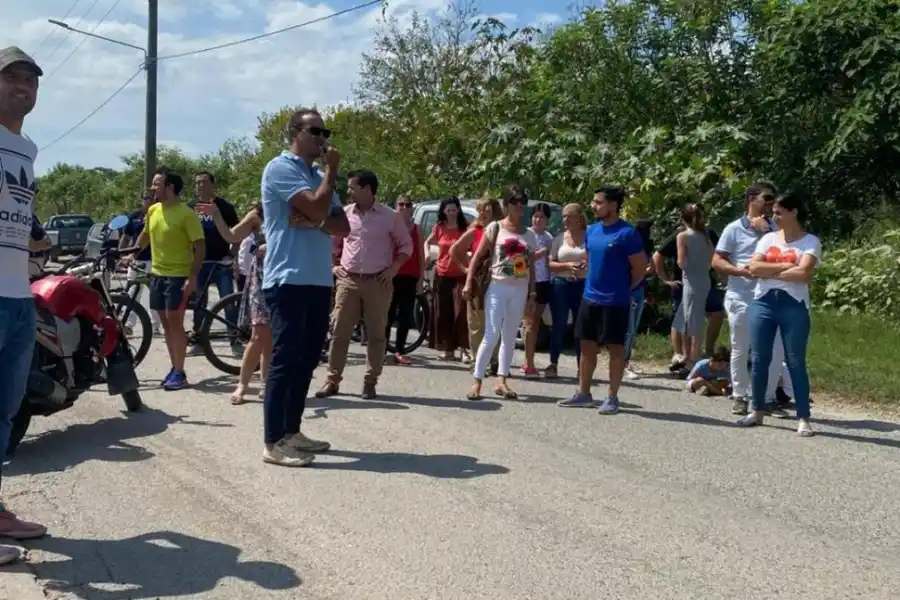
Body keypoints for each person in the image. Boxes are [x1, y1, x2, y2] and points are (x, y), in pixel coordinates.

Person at [259, 107, 350, 467]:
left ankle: (291, 431)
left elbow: (341, 225)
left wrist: (314, 218)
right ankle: (272, 442)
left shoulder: (314, 174)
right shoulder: (280, 168)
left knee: (307, 359)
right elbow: (316, 209)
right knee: (285, 359)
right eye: (317, 131)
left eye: (325, 131)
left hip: (317, 278)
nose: (324, 137)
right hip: (288, 277)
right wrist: (330, 176)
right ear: (296, 133)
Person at [0, 45, 48, 567]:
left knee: (6, 414)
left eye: (31, 80)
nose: (22, 87)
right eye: (11, 77)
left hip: (18, 295)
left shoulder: (27, 148)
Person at [316, 170, 412, 400]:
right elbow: (332, 243)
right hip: (348, 279)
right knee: (339, 332)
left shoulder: (390, 217)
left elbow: (406, 246)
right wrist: (333, 266)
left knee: (376, 335)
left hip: (378, 281)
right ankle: (332, 380)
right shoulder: (345, 214)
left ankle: (370, 382)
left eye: (352, 187)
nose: (348, 192)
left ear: (367, 189)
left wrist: (393, 269)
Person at [558, 185, 647, 413]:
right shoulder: (592, 231)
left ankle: (612, 397)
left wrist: (623, 288)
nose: (593, 206)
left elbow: (639, 268)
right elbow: (590, 258)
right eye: (594, 202)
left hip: (616, 301)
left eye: (598, 202)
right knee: (586, 346)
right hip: (589, 298)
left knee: (615, 350)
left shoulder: (627, 233)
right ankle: (584, 393)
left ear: (613, 205)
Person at [738, 192, 820, 437]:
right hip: (763, 303)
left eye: (778, 212)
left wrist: (768, 272)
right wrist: (786, 267)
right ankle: (757, 410)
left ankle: (803, 416)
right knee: (760, 358)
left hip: (793, 304)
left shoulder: (810, 241)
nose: (772, 216)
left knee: (795, 361)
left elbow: (804, 274)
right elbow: (753, 268)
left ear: (793, 212)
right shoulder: (767, 239)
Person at [123, 168, 206, 391]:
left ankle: (180, 372)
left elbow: (200, 246)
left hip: (179, 276)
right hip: (157, 275)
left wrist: (193, 276)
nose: (152, 188)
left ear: (169, 187)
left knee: (175, 323)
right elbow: (146, 235)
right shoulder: (153, 211)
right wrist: (132, 252)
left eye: (156, 184)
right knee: (166, 324)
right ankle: (174, 367)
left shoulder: (186, 214)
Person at [712, 182, 790, 416]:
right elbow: (717, 261)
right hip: (741, 296)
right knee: (741, 346)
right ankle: (740, 395)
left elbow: (790, 254)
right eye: (766, 198)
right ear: (751, 199)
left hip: (772, 297)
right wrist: (740, 271)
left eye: (773, 199)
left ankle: (766, 398)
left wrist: (766, 230)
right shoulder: (733, 229)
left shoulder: (779, 230)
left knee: (775, 349)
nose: (770, 203)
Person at [463, 185, 537, 400]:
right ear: (506, 205)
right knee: (491, 333)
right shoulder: (495, 228)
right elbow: (477, 257)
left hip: (520, 287)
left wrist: (532, 294)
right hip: (497, 285)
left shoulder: (529, 235)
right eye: (515, 203)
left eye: (523, 204)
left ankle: (501, 380)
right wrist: (469, 282)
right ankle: (477, 381)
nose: (520, 208)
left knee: (509, 335)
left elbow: (529, 266)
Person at [195, 201, 268, 406]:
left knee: (270, 335)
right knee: (258, 334)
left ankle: (265, 383)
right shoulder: (257, 215)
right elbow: (231, 236)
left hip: (285, 277)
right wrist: (217, 214)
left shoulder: (292, 211)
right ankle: (243, 385)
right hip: (262, 278)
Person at [652, 225, 726, 372]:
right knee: (682, 320)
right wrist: (666, 279)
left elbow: (718, 255)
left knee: (717, 312)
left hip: (705, 282)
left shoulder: (708, 233)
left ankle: (707, 350)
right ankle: (679, 354)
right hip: (683, 284)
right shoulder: (680, 234)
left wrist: (722, 275)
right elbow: (657, 256)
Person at [450, 194, 503, 375]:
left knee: (495, 322)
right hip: (478, 281)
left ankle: (494, 360)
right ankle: (477, 359)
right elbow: (454, 251)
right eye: (481, 210)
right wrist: (466, 271)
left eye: (487, 209)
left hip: (497, 279)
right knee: (476, 324)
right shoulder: (475, 231)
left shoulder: (502, 230)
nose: (483, 213)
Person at [189, 171, 240, 357]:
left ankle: (235, 340)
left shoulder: (224, 207)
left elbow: (238, 233)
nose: (200, 185)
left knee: (228, 302)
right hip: (199, 263)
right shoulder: (191, 207)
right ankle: (199, 342)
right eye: (197, 183)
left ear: (212, 184)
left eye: (204, 182)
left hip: (221, 263)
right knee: (199, 304)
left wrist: (232, 255)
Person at [424, 197, 470, 361]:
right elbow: (427, 242)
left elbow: (474, 248)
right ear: (443, 211)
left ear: (458, 210)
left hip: (460, 274)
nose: (451, 213)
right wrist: (428, 254)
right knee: (443, 313)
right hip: (442, 274)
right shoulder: (439, 227)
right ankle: (447, 349)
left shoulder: (465, 229)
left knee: (461, 312)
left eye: (454, 209)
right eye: (448, 210)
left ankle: (465, 349)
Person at [546, 203, 588, 378]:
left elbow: (594, 256)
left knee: (581, 326)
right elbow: (550, 264)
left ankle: (582, 367)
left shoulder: (588, 237)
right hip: (561, 284)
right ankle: (553, 363)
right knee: (559, 324)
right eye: (563, 216)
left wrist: (587, 262)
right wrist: (566, 265)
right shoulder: (559, 239)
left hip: (582, 284)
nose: (565, 219)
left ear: (579, 218)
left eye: (568, 216)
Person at [385, 194, 424, 365]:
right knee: (388, 313)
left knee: (406, 315)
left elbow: (421, 256)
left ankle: (400, 350)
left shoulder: (416, 229)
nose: (404, 208)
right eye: (400, 204)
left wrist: (421, 279)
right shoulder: (389, 227)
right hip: (392, 275)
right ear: (395, 206)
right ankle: (382, 348)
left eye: (407, 205)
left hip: (410, 276)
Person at [676, 204, 714, 367]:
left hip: (691, 281)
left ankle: (692, 355)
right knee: (690, 316)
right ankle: (691, 353)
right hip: (704, 280)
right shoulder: (705, 235)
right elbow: (713, 257)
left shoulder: (683, 236)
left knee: (690, 319)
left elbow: (681, 262)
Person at [120, 194, 162, 336]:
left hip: (154, 261)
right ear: (142, 201)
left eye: (151, 199)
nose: (148, 202)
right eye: (146, 199)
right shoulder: (134, 217)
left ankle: (155, 325)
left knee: (154, 294)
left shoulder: (159, 215)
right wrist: (122, 254)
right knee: (132, 293)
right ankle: (128, 325)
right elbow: (126, 236)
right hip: (136, 261)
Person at [521, 202, 554, 378]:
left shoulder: (549, 237)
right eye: (535, 216)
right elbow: (524, 258)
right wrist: (541, 253)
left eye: (542, 216)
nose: (538, 219)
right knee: (529, 324)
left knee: (536, 323)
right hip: (526, 282)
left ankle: (529, 360)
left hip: (544, 282)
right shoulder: (526, 234)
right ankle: (529, 363)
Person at [623, 219, 655, 380]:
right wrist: (644, 270)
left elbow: (650, 268)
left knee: (634, 328)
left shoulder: (647, 246)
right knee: (627, 329)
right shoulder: (632, 247)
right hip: (630, 289)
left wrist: (647, 269)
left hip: (640, 289)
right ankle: (622, 362)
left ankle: (627, 359)